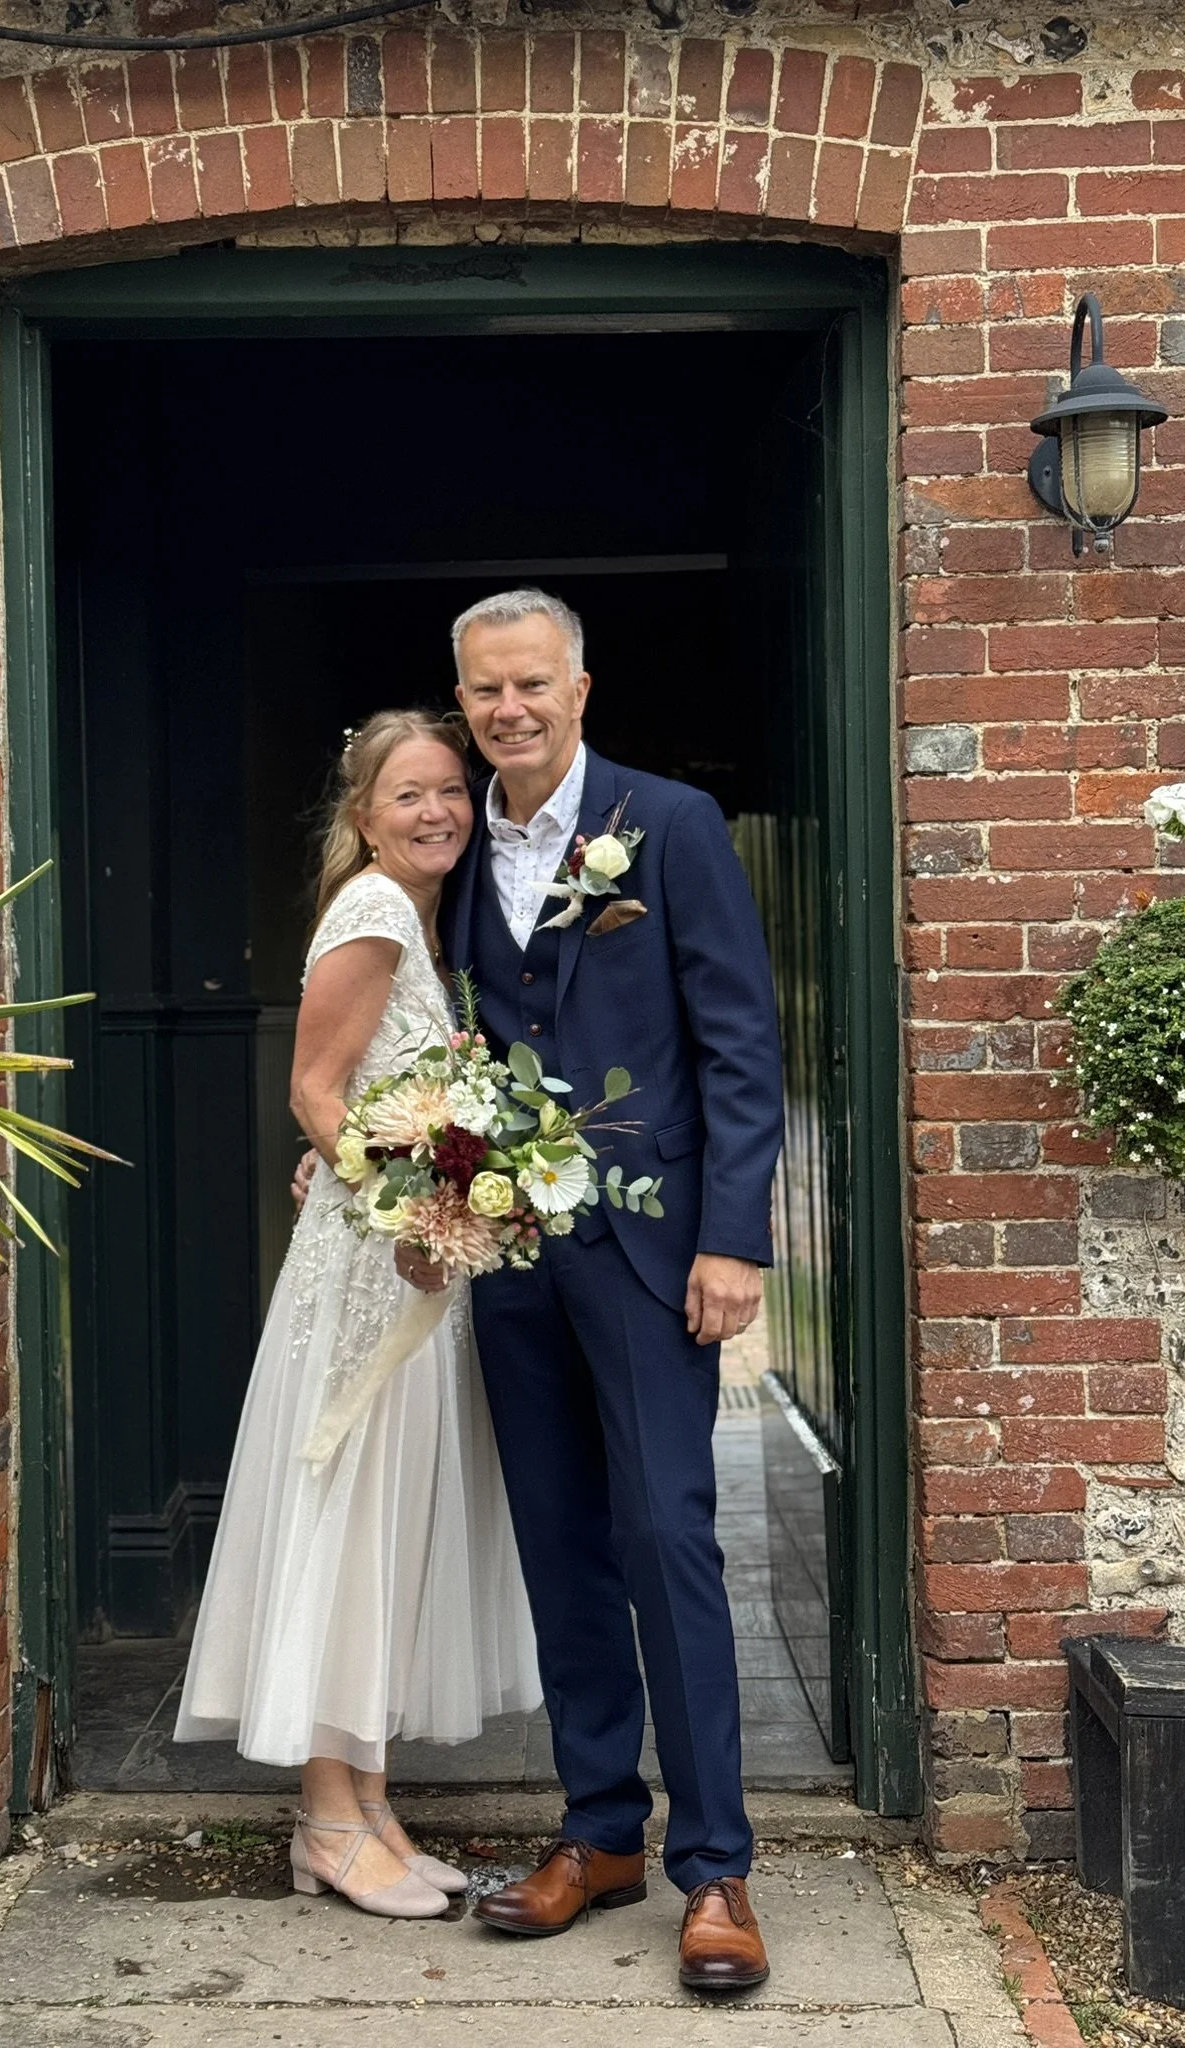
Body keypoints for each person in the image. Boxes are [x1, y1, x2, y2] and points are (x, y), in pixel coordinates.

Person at [411, 589, 785, 1990]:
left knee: (666, 1534)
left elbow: (739, 1042)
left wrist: (732, 1238)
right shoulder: (455, 842)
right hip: (507, 1248)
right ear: (464, 703)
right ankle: (601, 1831)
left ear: (578, 687)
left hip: (647, 1249)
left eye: (530, 684)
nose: (507, 709)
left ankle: (717, 1866)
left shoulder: (668, 825)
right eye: (484, 691)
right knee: (560, 1542)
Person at [174, 710, 540, 1918]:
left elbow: (373, 1100)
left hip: (409, 1264)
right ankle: (329, 1819)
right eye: (409, 794)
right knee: (350, 1519)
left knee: (386, 1525)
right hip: (375, 1277)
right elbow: (315, 1090)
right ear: (364, 815)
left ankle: (370, 1805)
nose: (437, 811)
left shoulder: (419, 920)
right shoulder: (377, 909)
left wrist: (431, 1191)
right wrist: (413, 1214)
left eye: (451, 790)